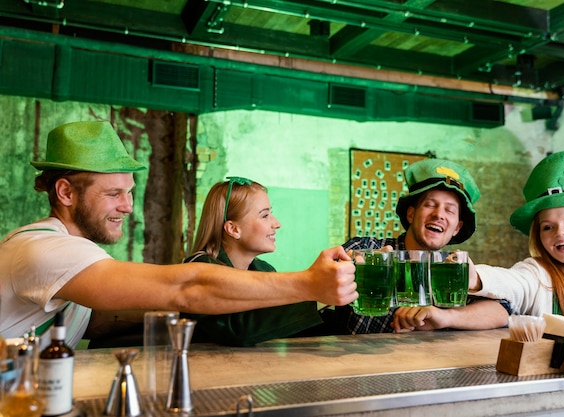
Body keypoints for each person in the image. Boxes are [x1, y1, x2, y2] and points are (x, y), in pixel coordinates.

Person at [0, 121, 357, 348]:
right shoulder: (46, 250)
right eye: (113, 194)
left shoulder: (68, 254)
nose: (128, 207)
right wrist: (312, 284)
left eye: (130, 193)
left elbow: (99, 319)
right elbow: (186, 287)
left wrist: (190, 317)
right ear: (65, 193)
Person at [337, 158, 510, 334]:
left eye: (449, 210)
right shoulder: (366, 247)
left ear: (457, 228)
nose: (438, 215)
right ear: (411, 214)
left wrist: (445, 317)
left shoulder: (453, 269)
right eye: (430, 205)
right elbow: (325, 278)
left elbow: (502, 311)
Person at [469, 150, 564, 320]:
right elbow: (513, 282)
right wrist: (475, 277)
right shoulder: (536, 274)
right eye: (548, 227)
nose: (560, 232)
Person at [181, 177, 326, 346]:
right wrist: (321, 292)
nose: (277, 224)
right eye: (265, 215)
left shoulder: (263, 269)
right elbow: (237, 331)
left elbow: (280, 327)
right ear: (233, 229)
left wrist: (344, 292)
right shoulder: (200, 269)